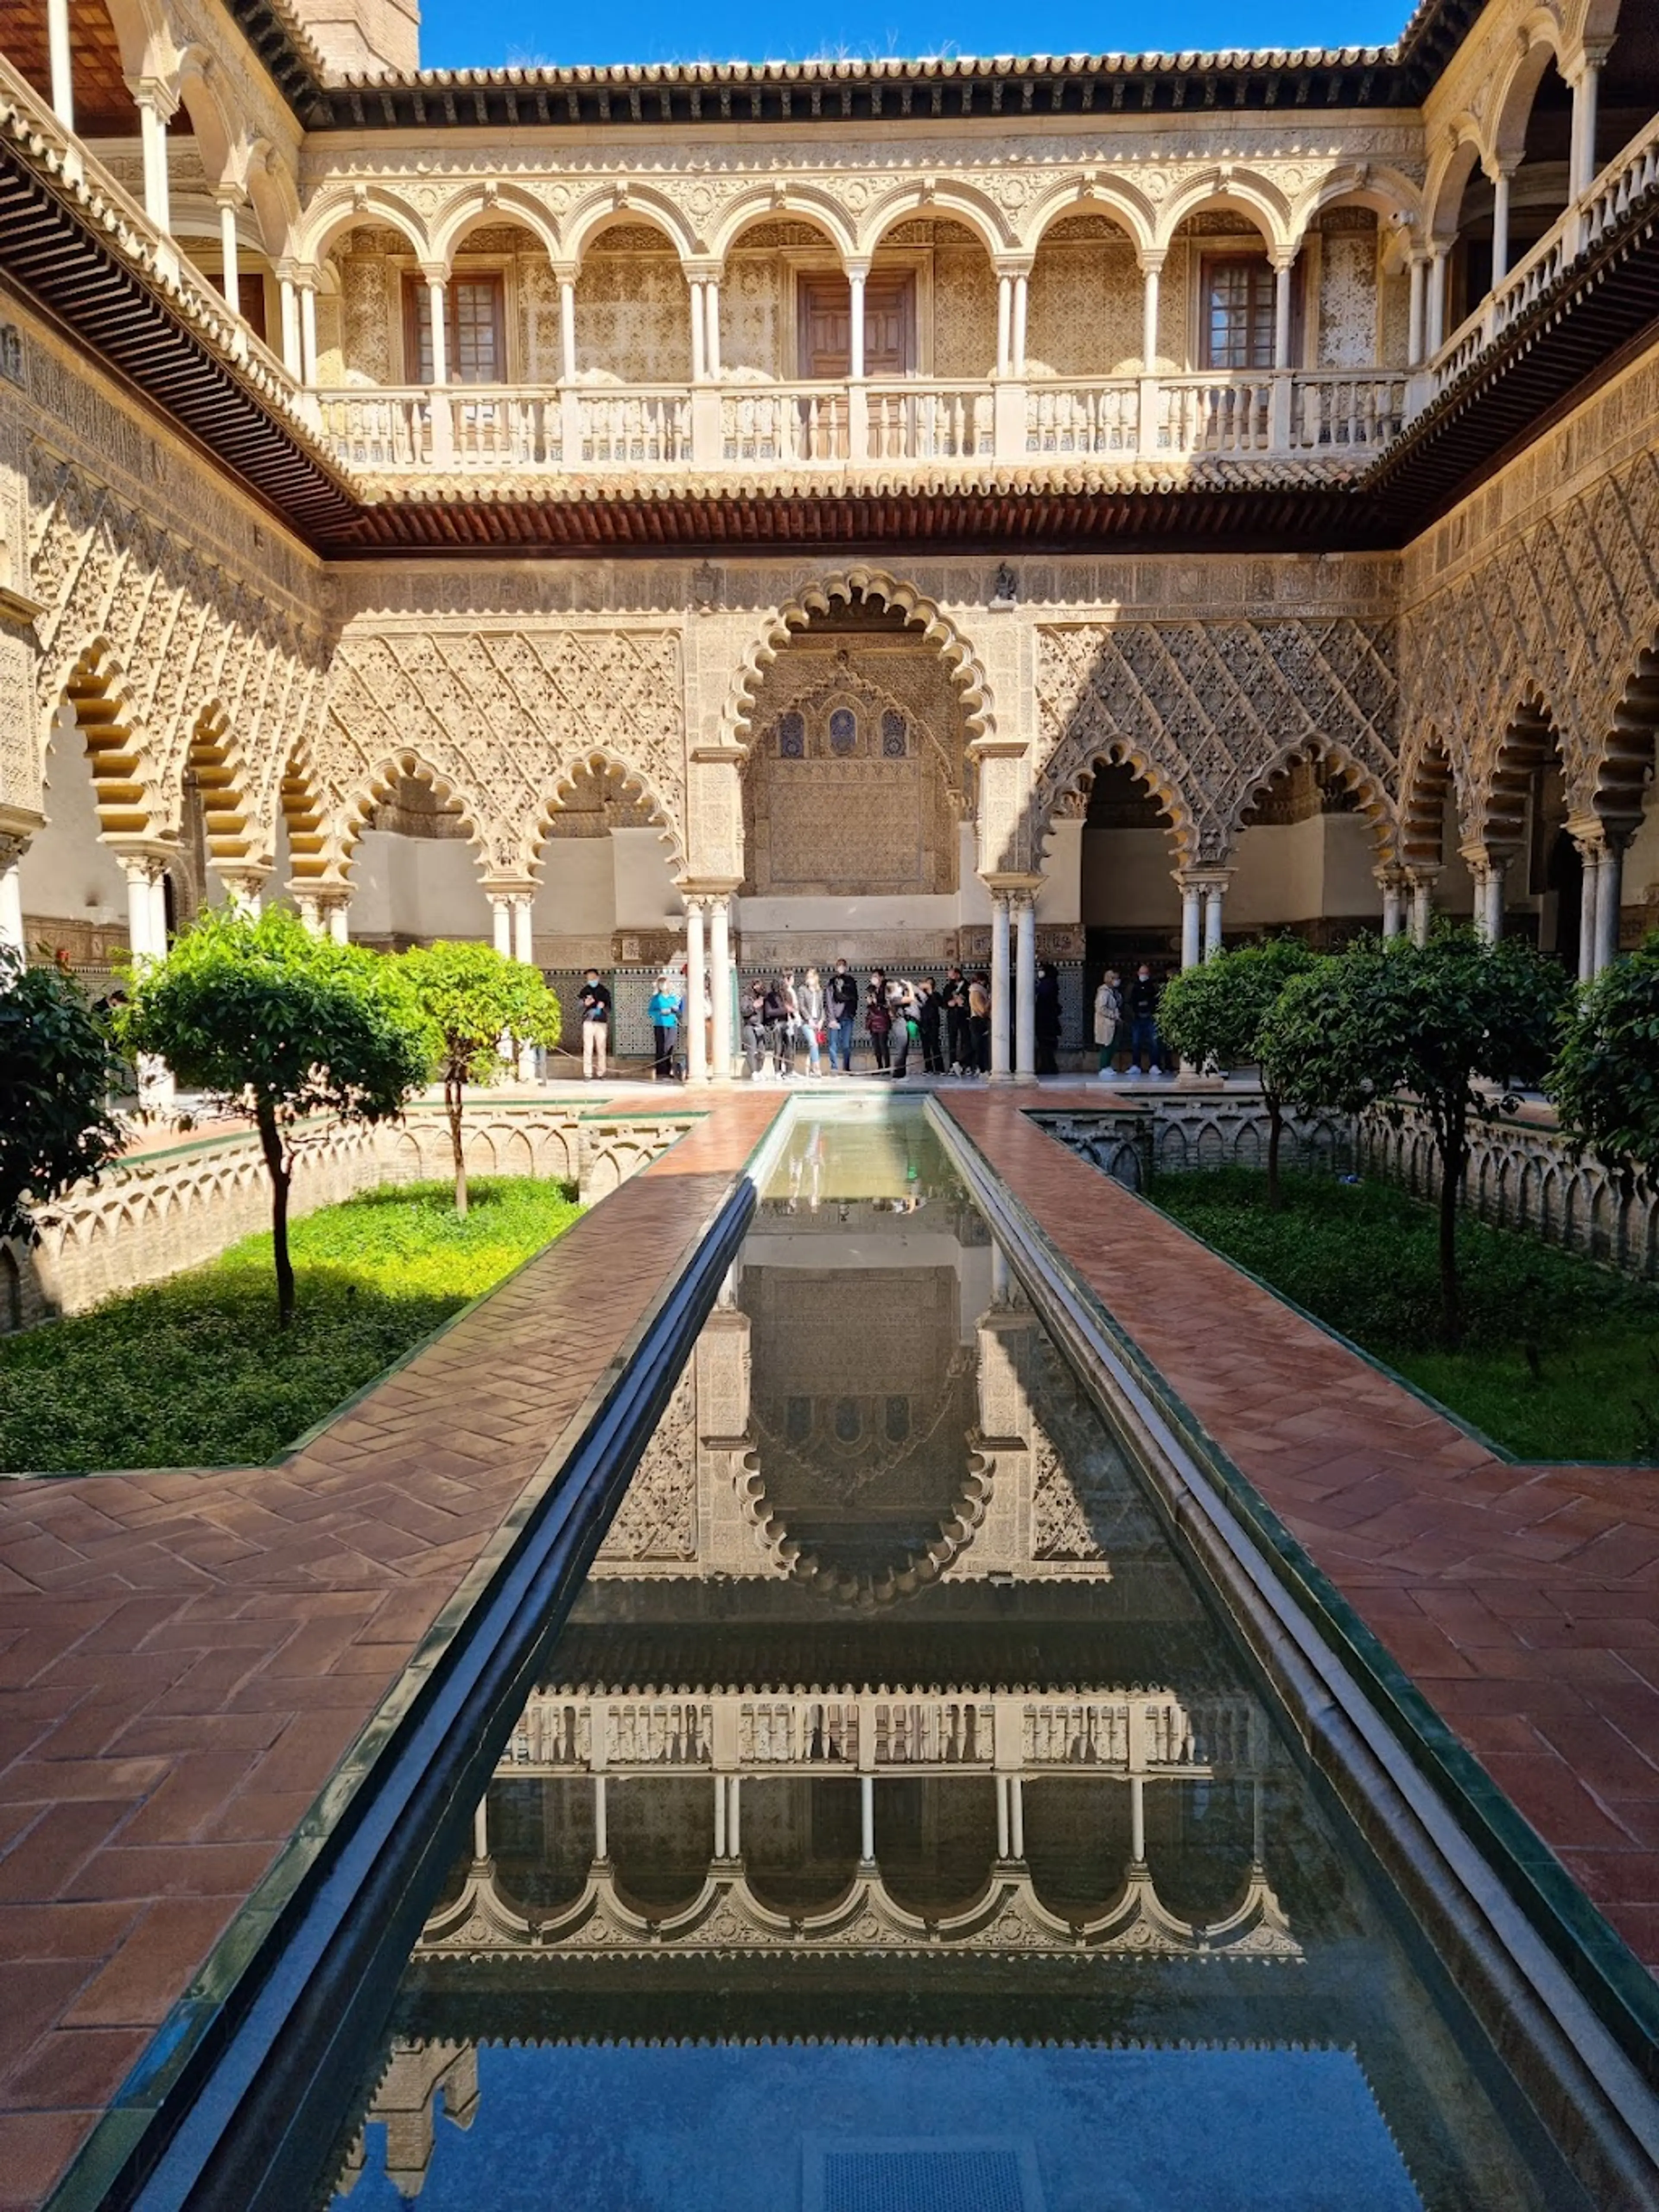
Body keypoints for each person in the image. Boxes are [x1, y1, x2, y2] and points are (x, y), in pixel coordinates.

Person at [1125, 964, 1161, 1076]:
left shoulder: (1153, 987)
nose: (1143, 976)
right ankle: (1136, 1065)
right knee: (1136, 1043)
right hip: (1138, 1019)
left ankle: (1154, 1065)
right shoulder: (1133, 987)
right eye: (1142, 973)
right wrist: (1133, 1014)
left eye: (1145, 973)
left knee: (1154, 1042)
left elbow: (1157, 1001)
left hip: (1150, 1018)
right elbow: (1129, 1002)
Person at [647, 970, 681, 1081]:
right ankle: (661, 1071)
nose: (663, 986)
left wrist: (676, 1010)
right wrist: (661, 1012)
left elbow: (679, 1010)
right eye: (661, 984)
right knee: (661, 1047)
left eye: (665, 983)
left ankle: (668, 1070)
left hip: (672, 1025)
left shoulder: (673, 998)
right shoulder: (656, 998)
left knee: (669, 1047)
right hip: (660, 1024)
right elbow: (651, 1012)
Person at [578, 968, 611, 1080]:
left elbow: (609, 1009)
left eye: (593, 978)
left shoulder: (604, 991)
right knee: (588, 1048)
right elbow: (579, 1006)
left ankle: (602, 1073)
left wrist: (604, 1006)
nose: (591, 980)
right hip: (588, 1022)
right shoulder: (585, 991)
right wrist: (585, 1003)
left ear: (598, 978)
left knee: (601, 1048)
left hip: (601, 1022)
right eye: (589, 978)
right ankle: (588, 1074)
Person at [828, 958, 859, 1073]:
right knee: (833, 1044)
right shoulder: (832, 982)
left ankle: (846, 1067)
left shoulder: (851, 981)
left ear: (846, 967)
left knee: (846, 1045)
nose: (841, 967)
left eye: (843, 965)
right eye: (839, 965)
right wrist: (831, 1018)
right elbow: (830, 1001)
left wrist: (852, 1014)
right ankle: (834, 1068)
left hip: (847, 1017)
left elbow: (855, 998)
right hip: (835, 1017)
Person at [1093, 968, 1123, 1076]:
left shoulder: (1113, 992)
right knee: (1106, 1045)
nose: (1117, 981)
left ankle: (1108, 1065)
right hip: (1106, 1024)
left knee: (1113, 1045)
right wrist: (1113, 1015)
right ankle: (1103, 1066)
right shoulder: (1104, 992)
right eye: (1115, 979)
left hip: (1113, 1023)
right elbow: (1101, 1008)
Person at [940, 966, 969, 1075]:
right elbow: (944, 1003)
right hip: (952, 1016)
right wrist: (949, 1004)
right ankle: (953, 1065)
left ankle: (965, 1064)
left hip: (964, 1016)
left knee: (965, 1040)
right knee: (952, 1040)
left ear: (958, 975)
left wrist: (963, 1003)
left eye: (952, 976)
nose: (950, 978)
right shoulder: (948, 988)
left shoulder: (968, 986)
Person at [798, 966, 826, 1076]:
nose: (809, 979)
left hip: (817, 1021)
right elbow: (802, 1006)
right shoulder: (802, 990)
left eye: (811, 977)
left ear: (816, 978)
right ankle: (817, 1068)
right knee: (813, 1043)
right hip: (807, 1022)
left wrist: (821, 1020)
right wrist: (809, 1019)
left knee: (815, 1045)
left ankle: (811, 1070)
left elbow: (822, 1008)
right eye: (808, 977)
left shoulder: (820, 992)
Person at [1035, 960, 1062, 1077]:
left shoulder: (1049, 983)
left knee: (1045, 1044)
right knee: (1045, 1045)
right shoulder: (1050, 983)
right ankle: (1048, 1066)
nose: (1040, 973)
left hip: (1046, 1020)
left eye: (1042, 970)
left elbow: (1042, 993)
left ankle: (1048, 1067)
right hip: (1048, 1019)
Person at [741, 979, 770, 1079]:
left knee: (761, 1051)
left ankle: (760, 1070)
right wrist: (753, 1007)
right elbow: (744, 1012)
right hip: (750, 1027)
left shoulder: (762, 998)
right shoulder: (747, 997)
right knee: (752, 1050)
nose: (759, 988)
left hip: (760, 1027)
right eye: (757, 986)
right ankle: (754, 1072)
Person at [761, 977, 789, 1079]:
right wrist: (784, 1010)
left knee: (788, 1047)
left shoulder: (783, 996)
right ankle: (777, 1071)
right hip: (776, 1025)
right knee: (778, 1048)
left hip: (786, 1024)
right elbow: (769, 1012)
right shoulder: (770, 997)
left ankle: (787, 1070)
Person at [865, 969, 892, 1073]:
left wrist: (878, 1002)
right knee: (876, 1045)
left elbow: (889, 1004)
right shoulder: (871, 989)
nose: (874, 978)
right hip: (873, 1019)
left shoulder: (887, 988)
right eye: (873, 976)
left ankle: (887, 1068)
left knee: (883, 1043)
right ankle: (880, 1067)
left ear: (882, 978)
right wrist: (870, 1002)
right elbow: (870, 1005)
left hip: (883, 1019)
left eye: (876, 976)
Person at [917, 977, 945, 1076]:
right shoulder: (921, 996)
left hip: (933, 1024)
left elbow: (941, 1005)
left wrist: (932, 993)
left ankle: (940, 1068)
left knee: (935, 1046)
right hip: (924, 1024)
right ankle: (928, 1068)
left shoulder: (936, 995)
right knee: (926, 1048)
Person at [887, 977, 914, 1079]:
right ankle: (898, 1074)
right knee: (901, 1049)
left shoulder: (896, 998)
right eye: (898, 986)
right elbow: (911, 998)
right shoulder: (894, 999)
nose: (900, 988)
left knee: (904, 1049)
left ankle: (901, 1073)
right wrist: (910, 986)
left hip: (901, 1023)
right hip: (899, 1024)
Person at [968, 970, 992, 1075]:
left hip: (977, 1021)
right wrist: (990, 1001)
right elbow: (982, 1011)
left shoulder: (975, 992)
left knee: (979, 1045)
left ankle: (981, 1068)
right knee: (979, 1046)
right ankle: (980, 1068)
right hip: (978, 1021)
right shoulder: (977, 992)